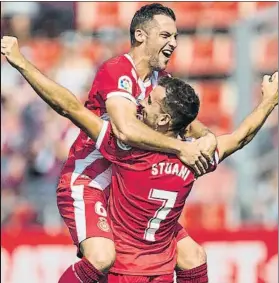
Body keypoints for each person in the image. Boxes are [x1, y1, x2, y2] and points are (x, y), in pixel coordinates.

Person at [2, 30, 278, 282]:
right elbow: (242, 135)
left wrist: (21, 62)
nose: (140, 101)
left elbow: (69, 106)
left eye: (149, 101)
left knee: (101, 258)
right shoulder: (196, 157)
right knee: (194, 258)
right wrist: (268, 101)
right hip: (161, 269)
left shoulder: (130, 150)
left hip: (125, 271)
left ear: (163, 120)